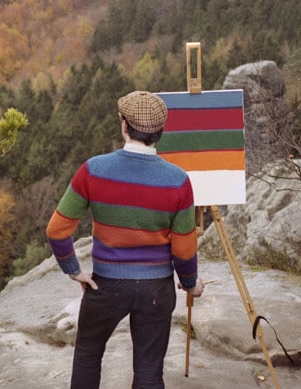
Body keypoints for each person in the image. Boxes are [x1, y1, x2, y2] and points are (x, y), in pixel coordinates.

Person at [46, 90, 204, 388]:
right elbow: (184, 249)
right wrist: (191, 283)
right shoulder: (178, 180)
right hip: (156, 289)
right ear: (161, 132)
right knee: (148, 372)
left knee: (88, 355)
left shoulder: (94, 169)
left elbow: (57, 229)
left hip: (105, 285)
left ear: (123, 125)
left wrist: (74, 271)